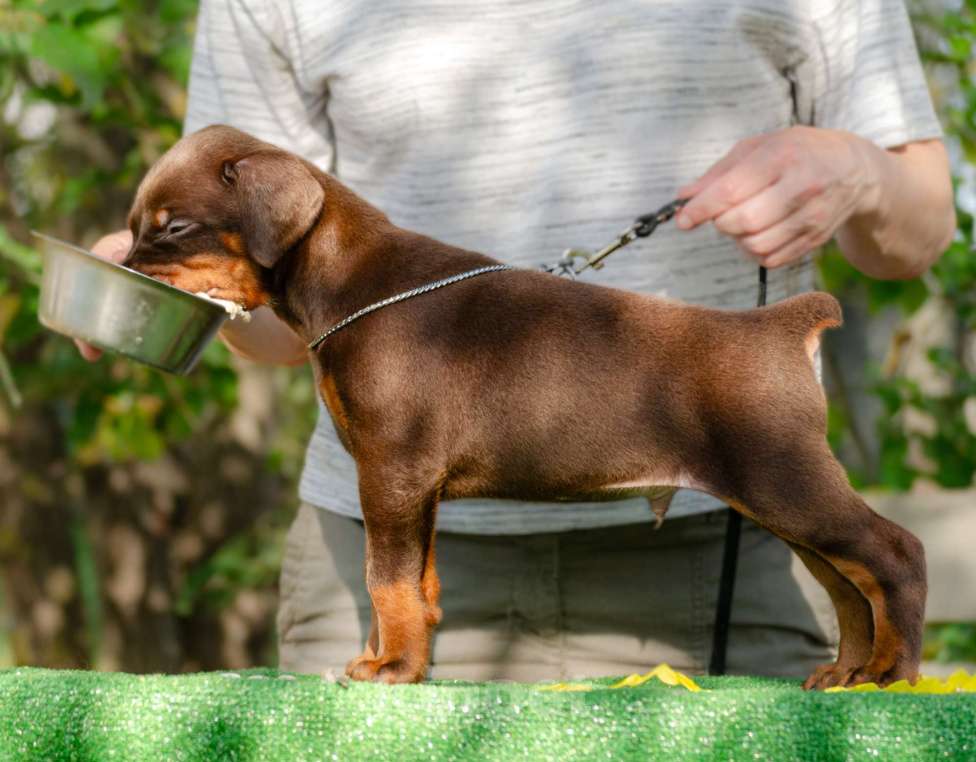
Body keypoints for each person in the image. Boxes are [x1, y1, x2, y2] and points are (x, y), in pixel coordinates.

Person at [81, 0, 954, 681]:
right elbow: (269, 321)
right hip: (355, 563)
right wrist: (168, 283)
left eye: (170, 233)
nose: (157, 250)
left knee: (832, 532)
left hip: (708, 557)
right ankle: (398, 643)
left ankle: (886, 642)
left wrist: (862, 168)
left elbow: (919, 229)